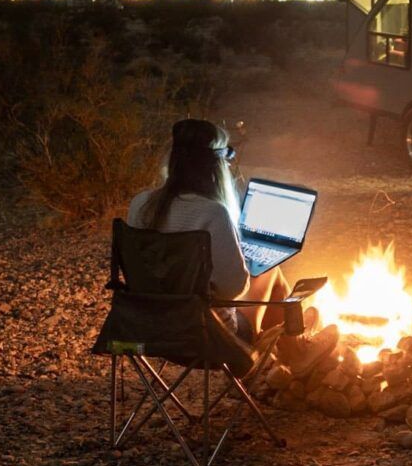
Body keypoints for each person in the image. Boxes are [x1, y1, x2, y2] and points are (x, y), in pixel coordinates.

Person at [126, 118, 337, 374]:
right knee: (269, 271)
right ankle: (291, 354)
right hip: (208, 336)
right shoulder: (213, 212)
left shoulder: (141, 204)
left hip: (147, 327)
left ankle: (285, 356)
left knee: (260, 275)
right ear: (216, 168)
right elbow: (234, 287)